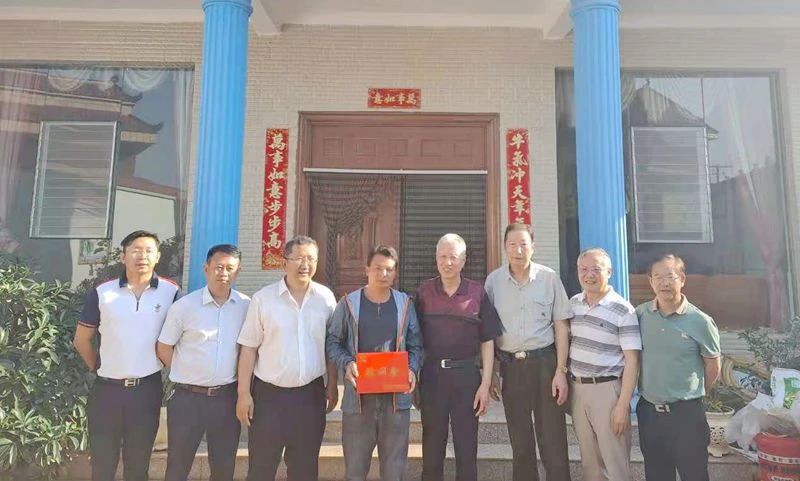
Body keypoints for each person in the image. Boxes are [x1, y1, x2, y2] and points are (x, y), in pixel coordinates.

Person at [73, 230, 181, 481]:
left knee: (138, 464)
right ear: (123, 256)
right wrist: (98, 367)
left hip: (147, 390)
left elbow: (179, 339)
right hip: (106, 392)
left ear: (158, 256)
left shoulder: (171, 292)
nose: (142, 256)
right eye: (135, 250)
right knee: (102, 464)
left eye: (148, 251)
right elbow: (81, 339)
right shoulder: (103, 292)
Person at [236, 235, 338, 481]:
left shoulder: (325, 298)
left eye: (311, 258)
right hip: (268, 397)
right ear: (284, 263)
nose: (305, 264)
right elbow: (248, 348)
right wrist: (243, 393)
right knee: (261, 468)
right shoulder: (264, 299)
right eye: (299, 258)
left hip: (310, 396)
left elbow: (331, 346)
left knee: (305, 469)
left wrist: (333, 384)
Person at [326, 245, 423, 481]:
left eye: (389, 269)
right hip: (359, 399)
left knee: (394, 470)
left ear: (395, 272)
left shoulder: (405, 304)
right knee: (355, 469)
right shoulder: (348, 304)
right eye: (378, 268)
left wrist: (412, 369)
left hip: (395, 399)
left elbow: (416, 345)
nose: (383, 274)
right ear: (366, 269)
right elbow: (333, 342)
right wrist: (347, 363)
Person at [484, 223, 571, 481]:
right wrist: (493, 373)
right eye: (512, 244)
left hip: (545, 364)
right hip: (510, 367)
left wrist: (561, 371)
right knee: (519, 437)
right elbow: (490, 332)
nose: (518, 250)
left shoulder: (549, 278)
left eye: (523, 244)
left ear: (533, 246)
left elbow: (562, 327)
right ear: (505, 247)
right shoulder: (494, 281)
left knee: (552, 437)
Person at [156, 244, 250, 481]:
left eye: (230, 268)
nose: (224, 273)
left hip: (226, 399)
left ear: (238, 272)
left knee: (223, 467)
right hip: (187, 399)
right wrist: (185, 371)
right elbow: (164, 347)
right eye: (218, 267)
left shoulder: (246, 306)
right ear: (206, 269)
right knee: (177, 467)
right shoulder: (184, 306)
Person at [416, 233, 503, 481]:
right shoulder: (424, 292)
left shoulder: (477, 292)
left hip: (467, 378)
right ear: (436, 259)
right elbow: (413, 338)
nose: (448, 262)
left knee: (466, 447)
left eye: (453, 257)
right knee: (432, 446)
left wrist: (485, 384)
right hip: (432, 376)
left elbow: (487, 340)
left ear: (463, 260)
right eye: (443, 257)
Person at [636, 253, 721, 481]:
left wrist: (695, 393)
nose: (664, 283)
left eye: (670, 276)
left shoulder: (700, 321)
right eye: (658, 277)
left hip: (686, 414)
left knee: (694, 474)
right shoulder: (640, 315)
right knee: (656, 475)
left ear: (682, 279)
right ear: (650, 281)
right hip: (650, 412)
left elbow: (713, 366)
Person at [568, 248, 640, 481]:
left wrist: (623, 405)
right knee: (590, 462)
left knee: (614, 461)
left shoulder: (623, 309)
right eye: (584, 269)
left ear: (609, 272)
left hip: (608, 391)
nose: (589, 275)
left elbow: (632, 360)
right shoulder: (573, 304)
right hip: (578, 389)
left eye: (596, 270)